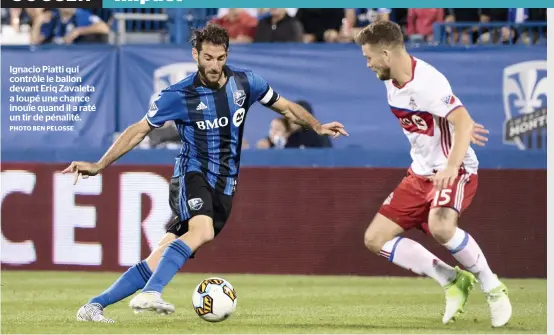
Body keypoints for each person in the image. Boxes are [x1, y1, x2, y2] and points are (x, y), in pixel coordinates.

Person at [64, 23, 347, 323]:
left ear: (227, 55)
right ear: (195, 54)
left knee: (160, 255)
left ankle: (93, 306)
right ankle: (151, 293)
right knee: (203, 231)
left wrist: (316, 126)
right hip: (191, 174)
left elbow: (286, 107)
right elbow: (138, 130)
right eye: (208, 58)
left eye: (220, 58)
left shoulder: (246, 83)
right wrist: (99, 165)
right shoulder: (178, 94)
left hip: (224, 186)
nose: (214, 65)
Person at [354, 21, 511, 328]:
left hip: (455, 168)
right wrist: (456, 123)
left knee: (441, 228)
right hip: (420, 173)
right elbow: (450, 120)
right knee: (374, 239)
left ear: (386, 54)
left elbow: (462, 122)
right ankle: (451, 279)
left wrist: (453, 162)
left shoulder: (427, 83)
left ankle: (492, 286)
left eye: (369, 57)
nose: (368, 64)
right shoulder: (390, 80)